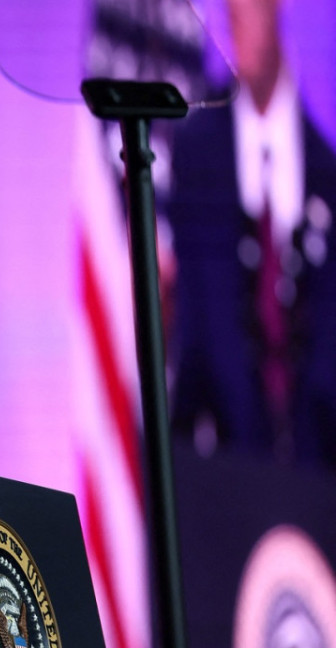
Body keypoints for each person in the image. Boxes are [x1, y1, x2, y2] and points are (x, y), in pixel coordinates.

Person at [166, 0, 336, 466]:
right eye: (231, 13)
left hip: (316, 472)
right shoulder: (196, 153)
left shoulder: (325, 170)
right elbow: (197, 330)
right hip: (220, 460)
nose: (240, 23)